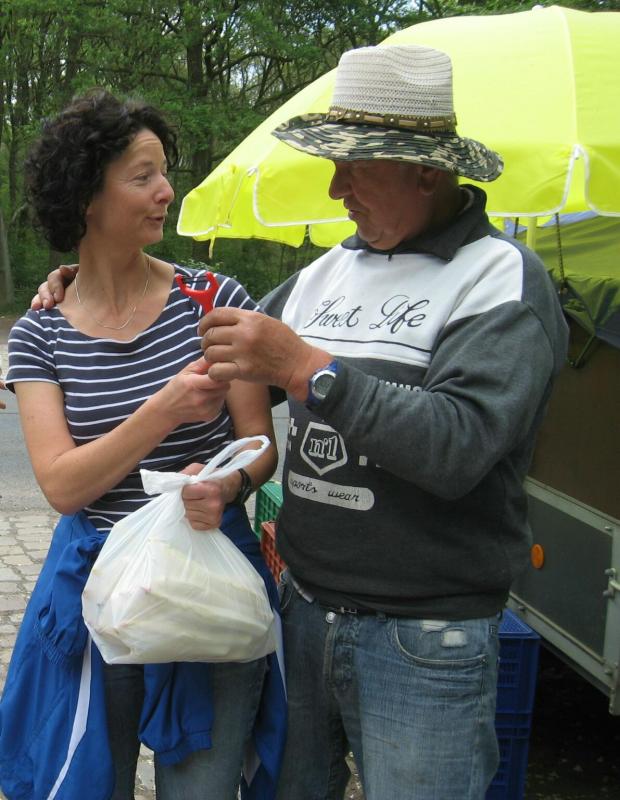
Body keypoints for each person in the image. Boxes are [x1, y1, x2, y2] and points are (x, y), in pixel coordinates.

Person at [35, 45, 569, 800]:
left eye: (355, 166)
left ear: (425, 171)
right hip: (306, 614)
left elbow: (458, 446)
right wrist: (77, 280)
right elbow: (224, 352)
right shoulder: (329, 273)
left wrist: (309, 369)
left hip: (423, 638)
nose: (336, 186)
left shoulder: (499, 279)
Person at [2, 89, 285, 800]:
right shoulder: (40, 334)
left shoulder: (214, 301)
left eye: (165, 173)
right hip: (97, 589)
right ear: (87, 197)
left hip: (210, 579)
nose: (166, 192)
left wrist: (228, 485)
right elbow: (63, 485)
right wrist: (163, 411)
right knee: (91, 785)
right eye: (143, 176)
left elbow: (259, 444)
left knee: (204, 790)